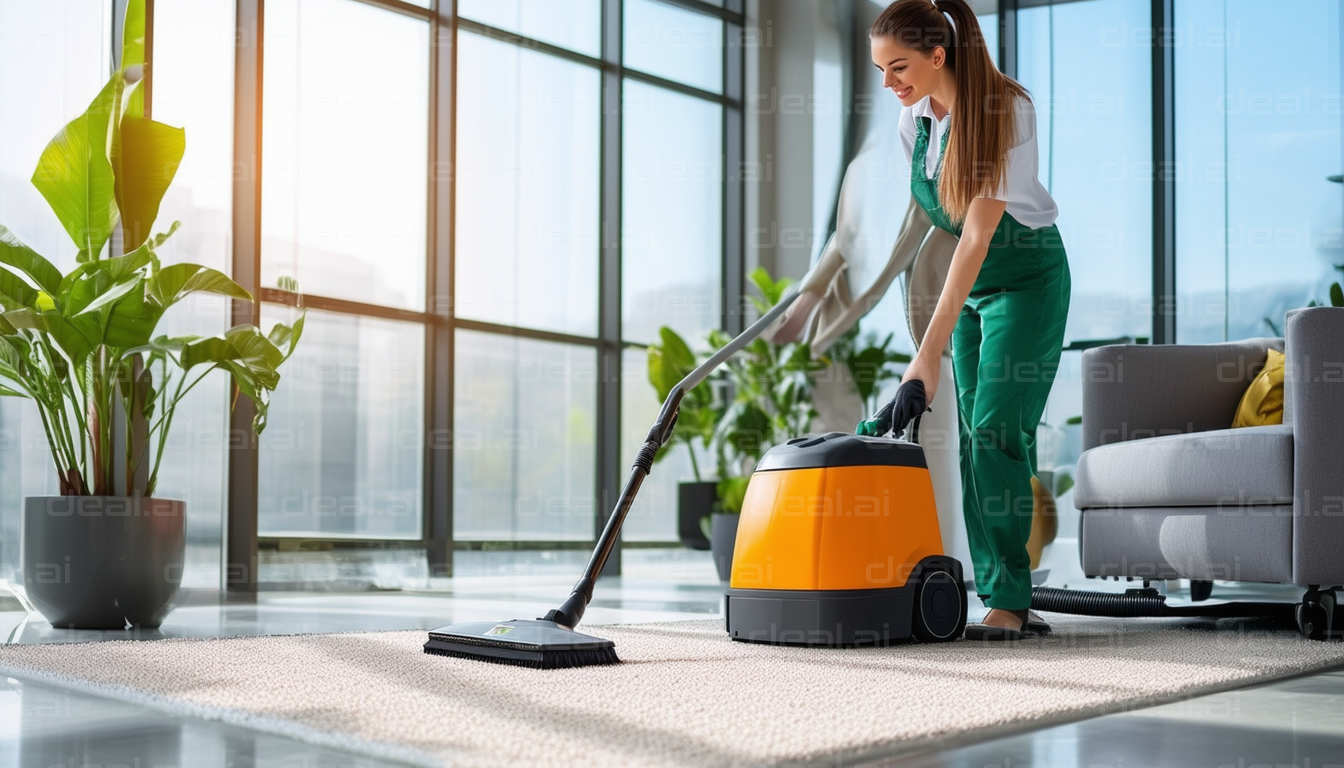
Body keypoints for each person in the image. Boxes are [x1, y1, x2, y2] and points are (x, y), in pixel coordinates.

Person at [870, 0, 1071, 640]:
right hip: (971, 293)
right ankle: (996, 593)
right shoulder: (916, 124)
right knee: (971, 443)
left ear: (938, 55)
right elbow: (931, 227)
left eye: (898, 67)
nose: (889, 84)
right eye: (881, 70)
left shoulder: (1006, 110)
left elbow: (979, 233)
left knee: (995, 433)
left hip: (1027, 283)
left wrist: (925, 354)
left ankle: (1009, 599)